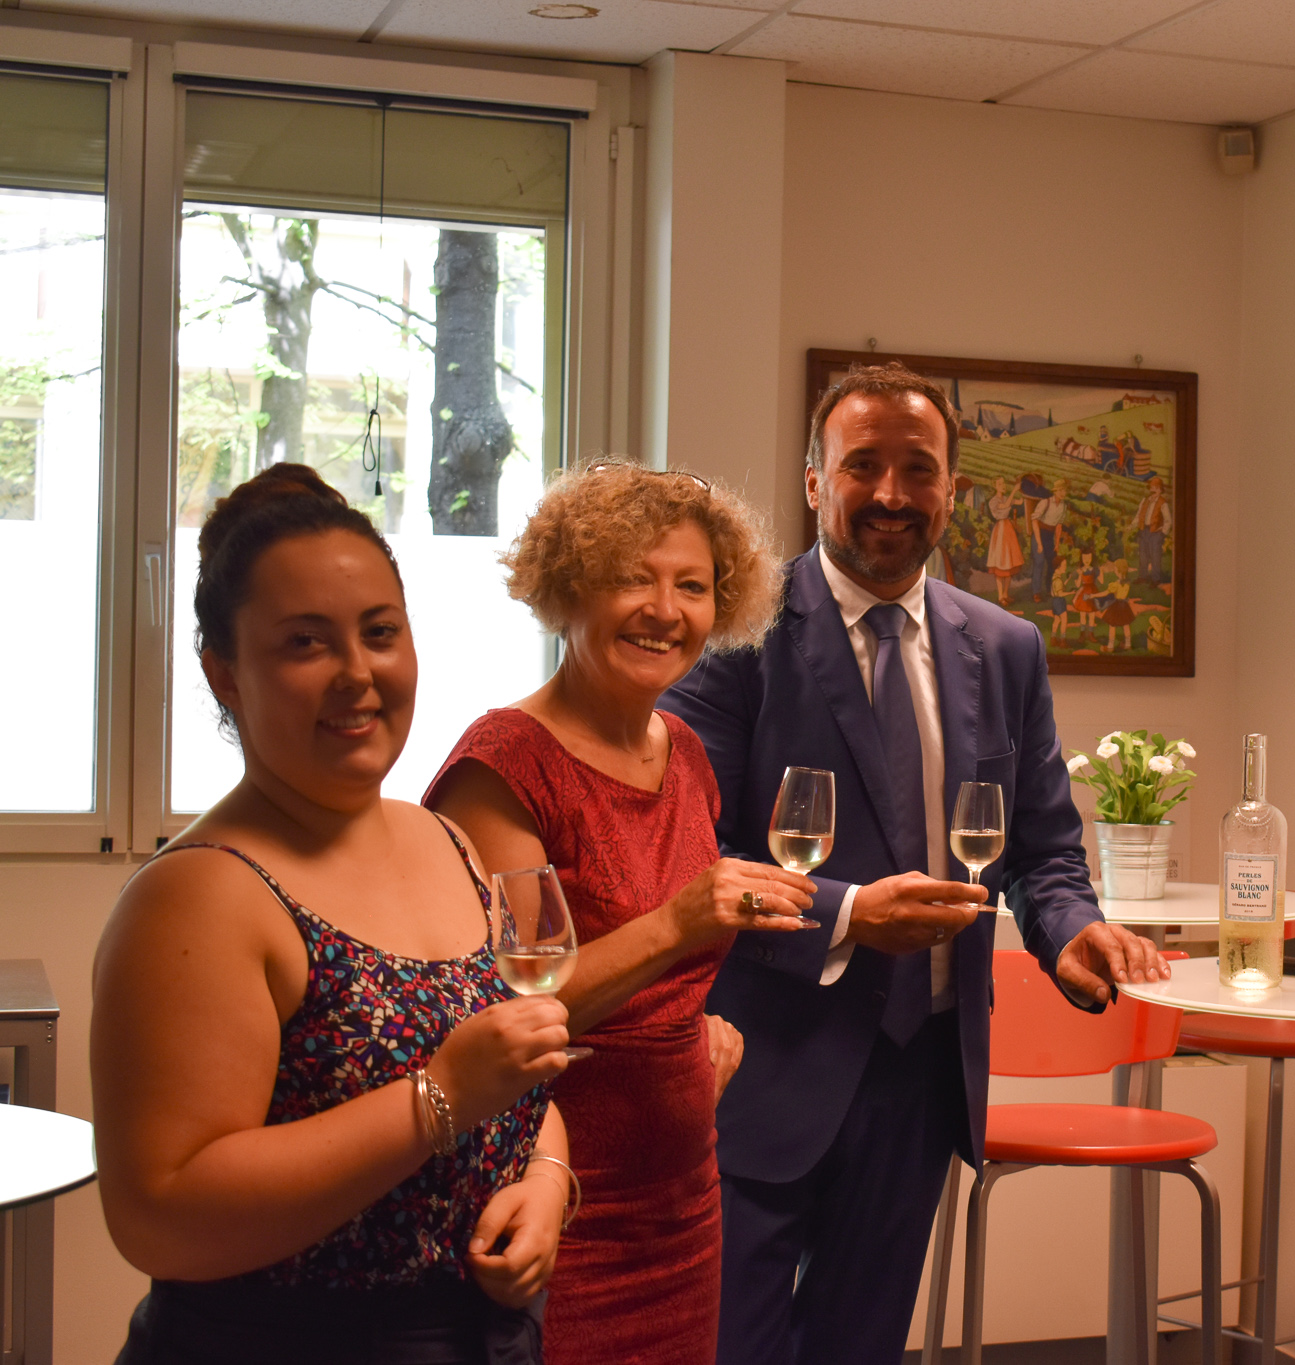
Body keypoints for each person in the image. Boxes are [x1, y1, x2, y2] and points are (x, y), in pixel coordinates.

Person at [663, 361, 1168, 1365]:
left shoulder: (1007, 648)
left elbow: (1042, 848)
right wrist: (850, 913)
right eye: (863, 465)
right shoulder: (733, 634)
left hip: (922, 1075)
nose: (891, 493)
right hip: (761, 1068)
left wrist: (1073, 931)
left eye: (918, 469)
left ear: (952, 487)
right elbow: (690, 852)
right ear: (814, 480)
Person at [95, 464, 573, 1364]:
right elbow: (160, 1214)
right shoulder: (200, 894)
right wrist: (433, 1100)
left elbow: (509, 1078)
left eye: (380, 632)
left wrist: (548, 1180)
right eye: (305, 643)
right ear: (225, 673)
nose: (357, 673)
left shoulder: (445, 839)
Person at [423, 462, 809, 1365]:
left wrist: (693, 1032)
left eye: (693, 586)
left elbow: (661, 984)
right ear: (568, 588)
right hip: (552, 1200)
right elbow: (502, 1015)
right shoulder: (503, 764)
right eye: (633, 578)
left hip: (683, 1200)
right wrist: (679, 923)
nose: (664, 610)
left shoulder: (687, 751)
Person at [981, 475, 1025, 605]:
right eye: (1000, 484)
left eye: (1004, 483)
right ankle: (1000, 596)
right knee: (1000, 564)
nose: (1003, 486)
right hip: (1000, 530)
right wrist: (1014, 490)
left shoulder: (1006, 498)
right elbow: (1005, 505)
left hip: (1008, 529)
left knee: (1009, 563)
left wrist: (1023, 491)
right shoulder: (993, 501)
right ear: (995, 486)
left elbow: (1019, 502)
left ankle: (1006, 594)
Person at [1131, 474, 1171, 583]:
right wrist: (1132, 526)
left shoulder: (1163, 503)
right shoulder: (1145, 501)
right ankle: (1142, 576)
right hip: (1144, 530)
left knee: (1155, 555)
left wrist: (1162, 533)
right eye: (1152, 488)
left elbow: (1168, 520)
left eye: (1156, 488)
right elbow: (1139, 515)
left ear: (1160, 490)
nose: (1154, 490)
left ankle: (1156, 579)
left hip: (1155, 533)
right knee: (1143, 555)